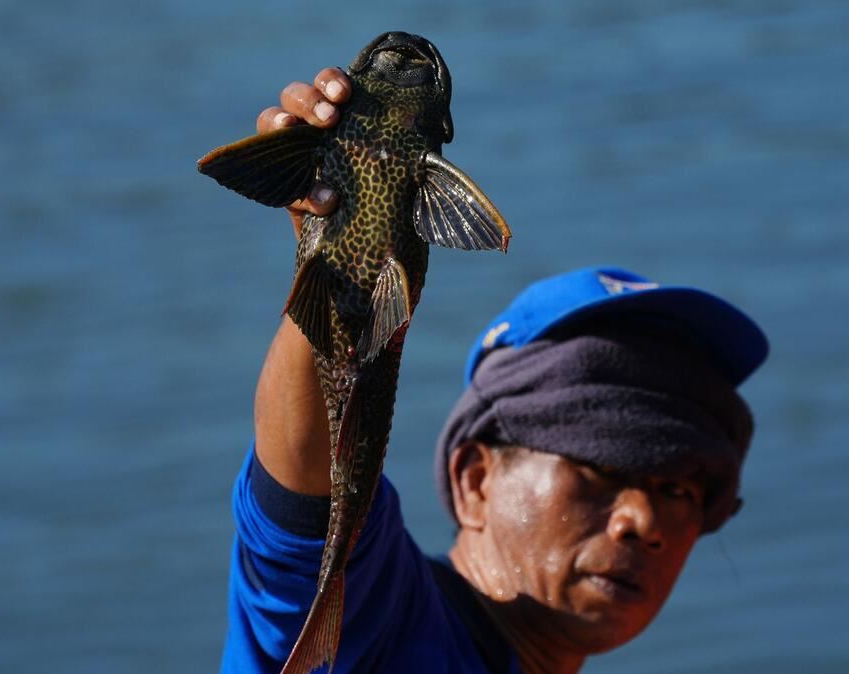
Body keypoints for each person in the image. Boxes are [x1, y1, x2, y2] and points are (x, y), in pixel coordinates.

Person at [221, 69, 769, 674]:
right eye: (600, 468)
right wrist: (343, 250)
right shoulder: (374, 623)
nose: (642, 521)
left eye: (678, 489)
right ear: (475, 480)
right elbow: (308, 513)